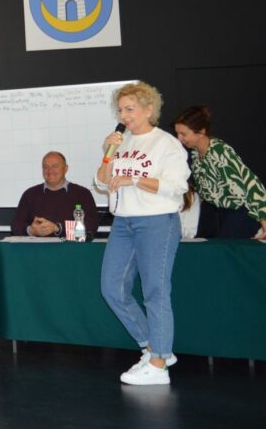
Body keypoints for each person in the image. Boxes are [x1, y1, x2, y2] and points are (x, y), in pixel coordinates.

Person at [96, 81, 189, 386]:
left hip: (157, 221)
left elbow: (177, 186)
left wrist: (134, 179)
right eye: (120, 110)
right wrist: (108, 153)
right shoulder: (120, 142)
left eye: (130, 109)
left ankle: (159, 367)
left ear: (149, 109)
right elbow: (102, 181)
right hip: (123, 223)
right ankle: (154, 348)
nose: (124, 116)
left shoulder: (166, 144)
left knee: (155, 292)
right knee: (112, 287)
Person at [173, 105, 266, 240]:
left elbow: (251, 183)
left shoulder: (220, 151)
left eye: (183, 134)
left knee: (227, 248)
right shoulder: (195, 153)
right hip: (216, 211)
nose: (179, 138)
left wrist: (263, 218)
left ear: (201, 132)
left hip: (237, 211)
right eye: (177, 133)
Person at [10, 152, 99, 237]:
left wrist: (58, 228)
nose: (50, 171)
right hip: (37, 247)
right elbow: (16, 225)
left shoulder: (82, 194)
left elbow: (91, 227)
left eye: (55, 166)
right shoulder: (30, 194)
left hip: (70, 246)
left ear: (66, 169)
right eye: (45, 167)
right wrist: (32, 231)